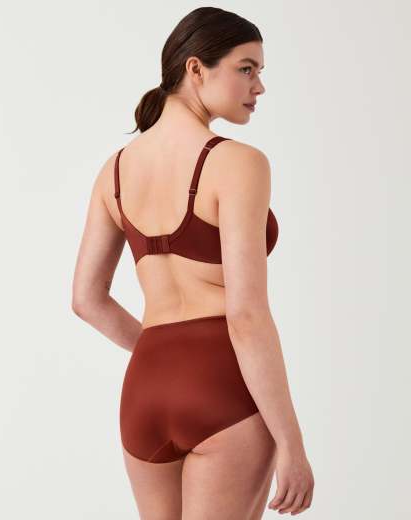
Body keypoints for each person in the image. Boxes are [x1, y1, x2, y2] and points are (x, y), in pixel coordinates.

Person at [71, 6, 314, 519]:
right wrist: (292, 443)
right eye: (246, 68)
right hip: (221, 384)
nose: (259, 86)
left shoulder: (113, 171)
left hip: (145, 390)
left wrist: (163, 353)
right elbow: (246, 316)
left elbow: (86, 300)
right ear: (196, 69)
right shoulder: (239, 163)